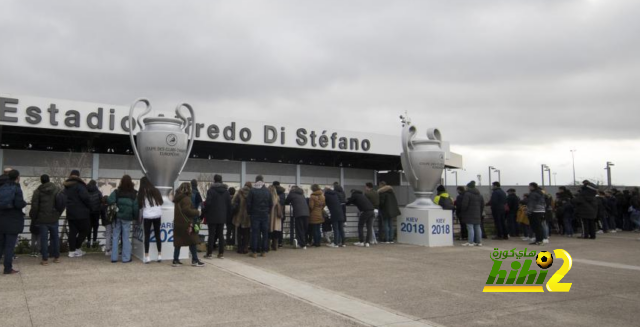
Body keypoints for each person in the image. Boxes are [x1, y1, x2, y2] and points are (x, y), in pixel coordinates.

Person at [29, 174, 61, 265]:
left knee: (44, 239)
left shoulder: (38, 191)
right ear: (49, 180)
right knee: (55, 238)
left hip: (42, 219)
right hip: (54, 218)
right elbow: (61, 202)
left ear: (41, 181)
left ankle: (45, 259)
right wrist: (58, 213)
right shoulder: (57, 189)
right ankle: (57, 257)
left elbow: (35, 206)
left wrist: (34, 217)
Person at [0, 170, 26, 274]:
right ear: (17, 177)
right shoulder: (16, 189)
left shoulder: (1, 188)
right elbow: (19, 204)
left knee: (0, 245)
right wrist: (23, 203)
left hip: (1, 219)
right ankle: (7, 268)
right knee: (9, 247)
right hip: (12, 220)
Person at [108, 175, 138, 263]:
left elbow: (109, 200)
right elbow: (136, 207)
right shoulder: (133, 194)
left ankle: (114, 258)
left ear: (121, 182)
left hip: (117, 217)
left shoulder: (117, 192)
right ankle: (126, 258)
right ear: (131, 182)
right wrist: (135, 217)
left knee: (115, 237)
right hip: (127, 218)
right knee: (125, 237)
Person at [173, 182, 204, 267]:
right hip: (186, 223)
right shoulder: (186, 199)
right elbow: (186, 210)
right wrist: (197, 212)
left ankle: (175, 260)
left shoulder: (177, 198)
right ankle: (195, 260)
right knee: (193, 241)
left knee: (178, 242)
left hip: (178, 223)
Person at [64, 169, 92, 258]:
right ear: (78, 176)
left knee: (73, 231)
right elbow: (86, 198)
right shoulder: (80, 186)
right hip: (82, 212)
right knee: (85, 230)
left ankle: (71, 251)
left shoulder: (66, 186)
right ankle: (77, 247)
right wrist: (90, 207)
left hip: (70, 212)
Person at [204, 174, 231, 259]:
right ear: (221, 180)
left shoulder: (211, 191)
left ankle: (209, 253)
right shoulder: (226, 192)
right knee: (221, 235)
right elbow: (229, 205)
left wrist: (205, 211)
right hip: (222, 216)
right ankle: (221, 253)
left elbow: (208, 203)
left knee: (211, 235)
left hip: (212, 216)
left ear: (214, 180)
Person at [138, 176, 163, 264]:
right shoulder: (156, 190)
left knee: (147, 236)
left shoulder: (142, 192)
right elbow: (161, 201)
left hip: (147, 215)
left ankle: (147, 256)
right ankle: (159, 255)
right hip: (157, 214)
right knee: (157, 235)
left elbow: (139, 205)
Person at [246, 175, 273, 258]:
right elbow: (271, 204)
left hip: (255, 214)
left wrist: (249, 212)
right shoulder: (268, 191)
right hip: (265, 214)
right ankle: (264, 251)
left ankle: (254, 252)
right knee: (265, 233)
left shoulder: (252, 190)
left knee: (255, 233)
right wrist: (267, 212)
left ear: (256, 181)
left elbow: (248, 203)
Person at [458, 181, 483, 247]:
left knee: (470, 227)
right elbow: (482, 205)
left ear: (468, 187)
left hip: (469, 213)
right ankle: (478, 242)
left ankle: (470, 242)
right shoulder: (479, 195)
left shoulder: (467, 194)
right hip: (477, 213)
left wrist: (462, 211)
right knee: (477, 227)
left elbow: (464, 205)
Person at [232, 182, 252, 254]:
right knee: (246, 233)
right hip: (247, 217)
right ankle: (245, 248)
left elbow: (233, 202)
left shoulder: (239, 192)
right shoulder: (251, 193)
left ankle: (239, 248)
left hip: (239, 216)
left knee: (239, 233)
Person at [87, 180, 103, 248]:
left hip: (88, 213)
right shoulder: (98, 192)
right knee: (95, 228)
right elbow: (101, 201)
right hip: (96, 212)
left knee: (88, 228)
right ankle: (94, 242)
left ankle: (88, 242)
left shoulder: (86, 191)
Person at [268, 185, 284, 251]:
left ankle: (268, 246)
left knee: (269, 231)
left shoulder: (268, 198)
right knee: (276, 231)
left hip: (270, 216)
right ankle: (275, 246)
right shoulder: (278, 198)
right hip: (277, 217)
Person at [272, 182, 286, 248]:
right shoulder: (283, 193)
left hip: (273, 212)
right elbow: (284, 202)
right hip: (281, 212)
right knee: (280, 228)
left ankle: (273, 243)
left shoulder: (274, 192)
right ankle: (279, 242)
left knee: (273, 228)